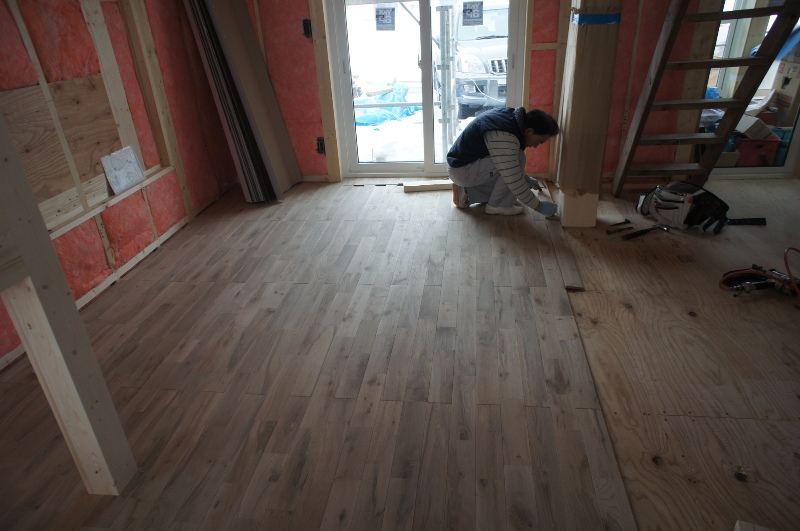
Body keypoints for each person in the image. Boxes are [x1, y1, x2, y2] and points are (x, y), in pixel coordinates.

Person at [448, 106, 560, 216]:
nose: (536, 146)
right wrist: (539, 207)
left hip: (466, 166)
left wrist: (526, 179)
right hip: (463, 171)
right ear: (529, 131)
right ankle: (498, 205)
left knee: (510, 181)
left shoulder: (510, 118)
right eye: (540, 141)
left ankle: (467, 192)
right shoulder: (505, 135)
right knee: (512, 176)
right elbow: (514, 180)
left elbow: (510, 163)